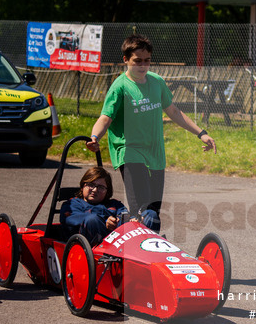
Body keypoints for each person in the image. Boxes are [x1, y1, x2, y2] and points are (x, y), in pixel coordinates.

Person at [86, 34, 216, 232]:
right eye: (137, 61)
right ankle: (136, 251)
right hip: (130, 152)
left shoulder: (156, 82)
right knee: (142, 211)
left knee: (153, 212)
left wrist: (202, 133)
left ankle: (149, 250)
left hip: (155, 154)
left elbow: (174, 111)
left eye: (147, 60)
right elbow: (105, 117)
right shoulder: (120, 87)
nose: (143, 65)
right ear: (126, 60)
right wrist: (95, 137)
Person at [60, 166, 129, 246]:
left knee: (142, 218)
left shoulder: (115, 205)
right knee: (92, 220)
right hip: (82, 248)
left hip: (118, 247)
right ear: (83, 186)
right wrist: (105, 221)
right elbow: (78, 220)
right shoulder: (71, 205)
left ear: (107, 191)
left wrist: (116, 223)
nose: (95, 190)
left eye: (101, 187)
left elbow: (126, 216)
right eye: (91, 185)